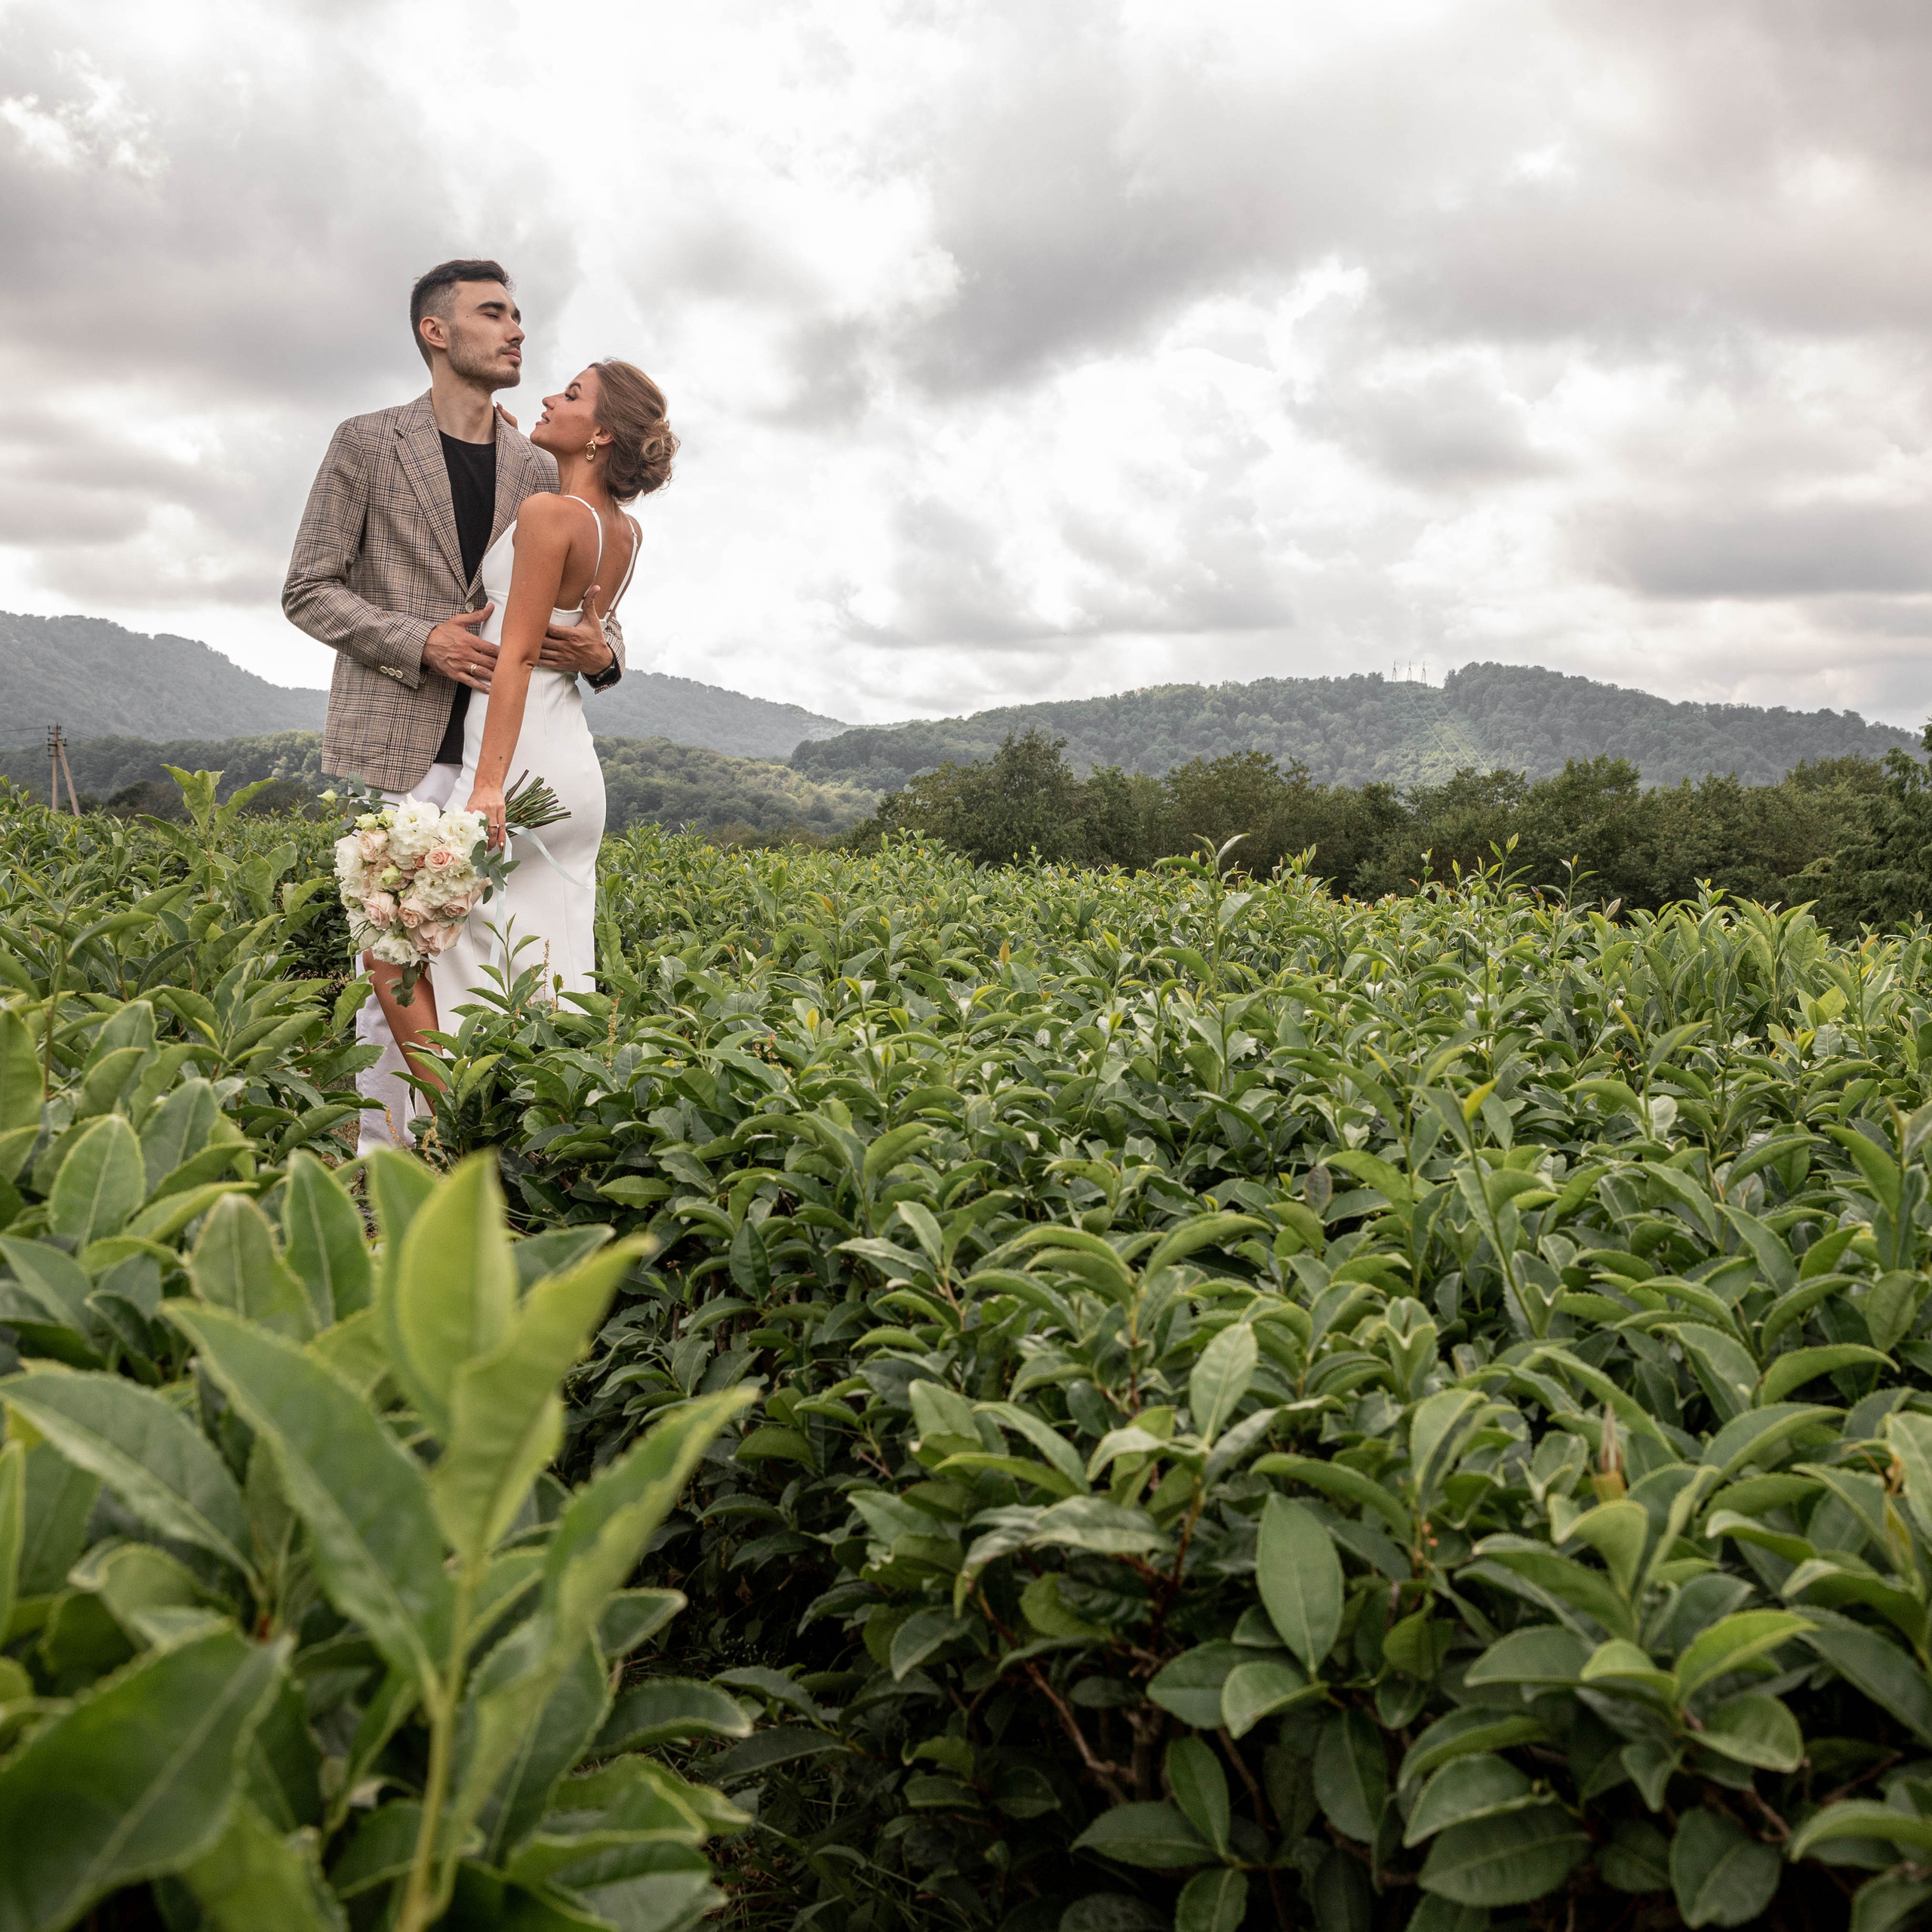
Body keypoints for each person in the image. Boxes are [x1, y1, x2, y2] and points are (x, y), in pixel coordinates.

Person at [282, 258, 626, 1151]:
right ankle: (391, 1170)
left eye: (519, 314)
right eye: (493, 313)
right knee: (389, 967)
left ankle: (478, 1147)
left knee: (492, 964)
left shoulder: (534, 466)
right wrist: (420, 639)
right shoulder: (364, 442)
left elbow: (578, 603)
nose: (517, 330)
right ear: (436, 332)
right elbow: (307, 589)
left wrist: (607, 655)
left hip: (502, 760)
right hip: (393, 741)